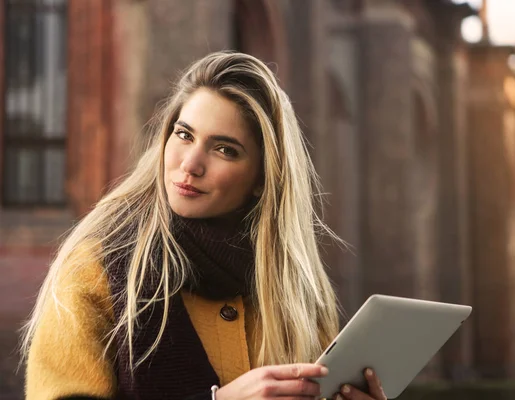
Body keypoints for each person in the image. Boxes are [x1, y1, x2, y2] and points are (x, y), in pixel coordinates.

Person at [20, 51, 387, 400]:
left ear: (262, 177)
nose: (191, 164)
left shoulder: (296, 290)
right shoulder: (96, 268)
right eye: (184, 135)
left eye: (224, 149)